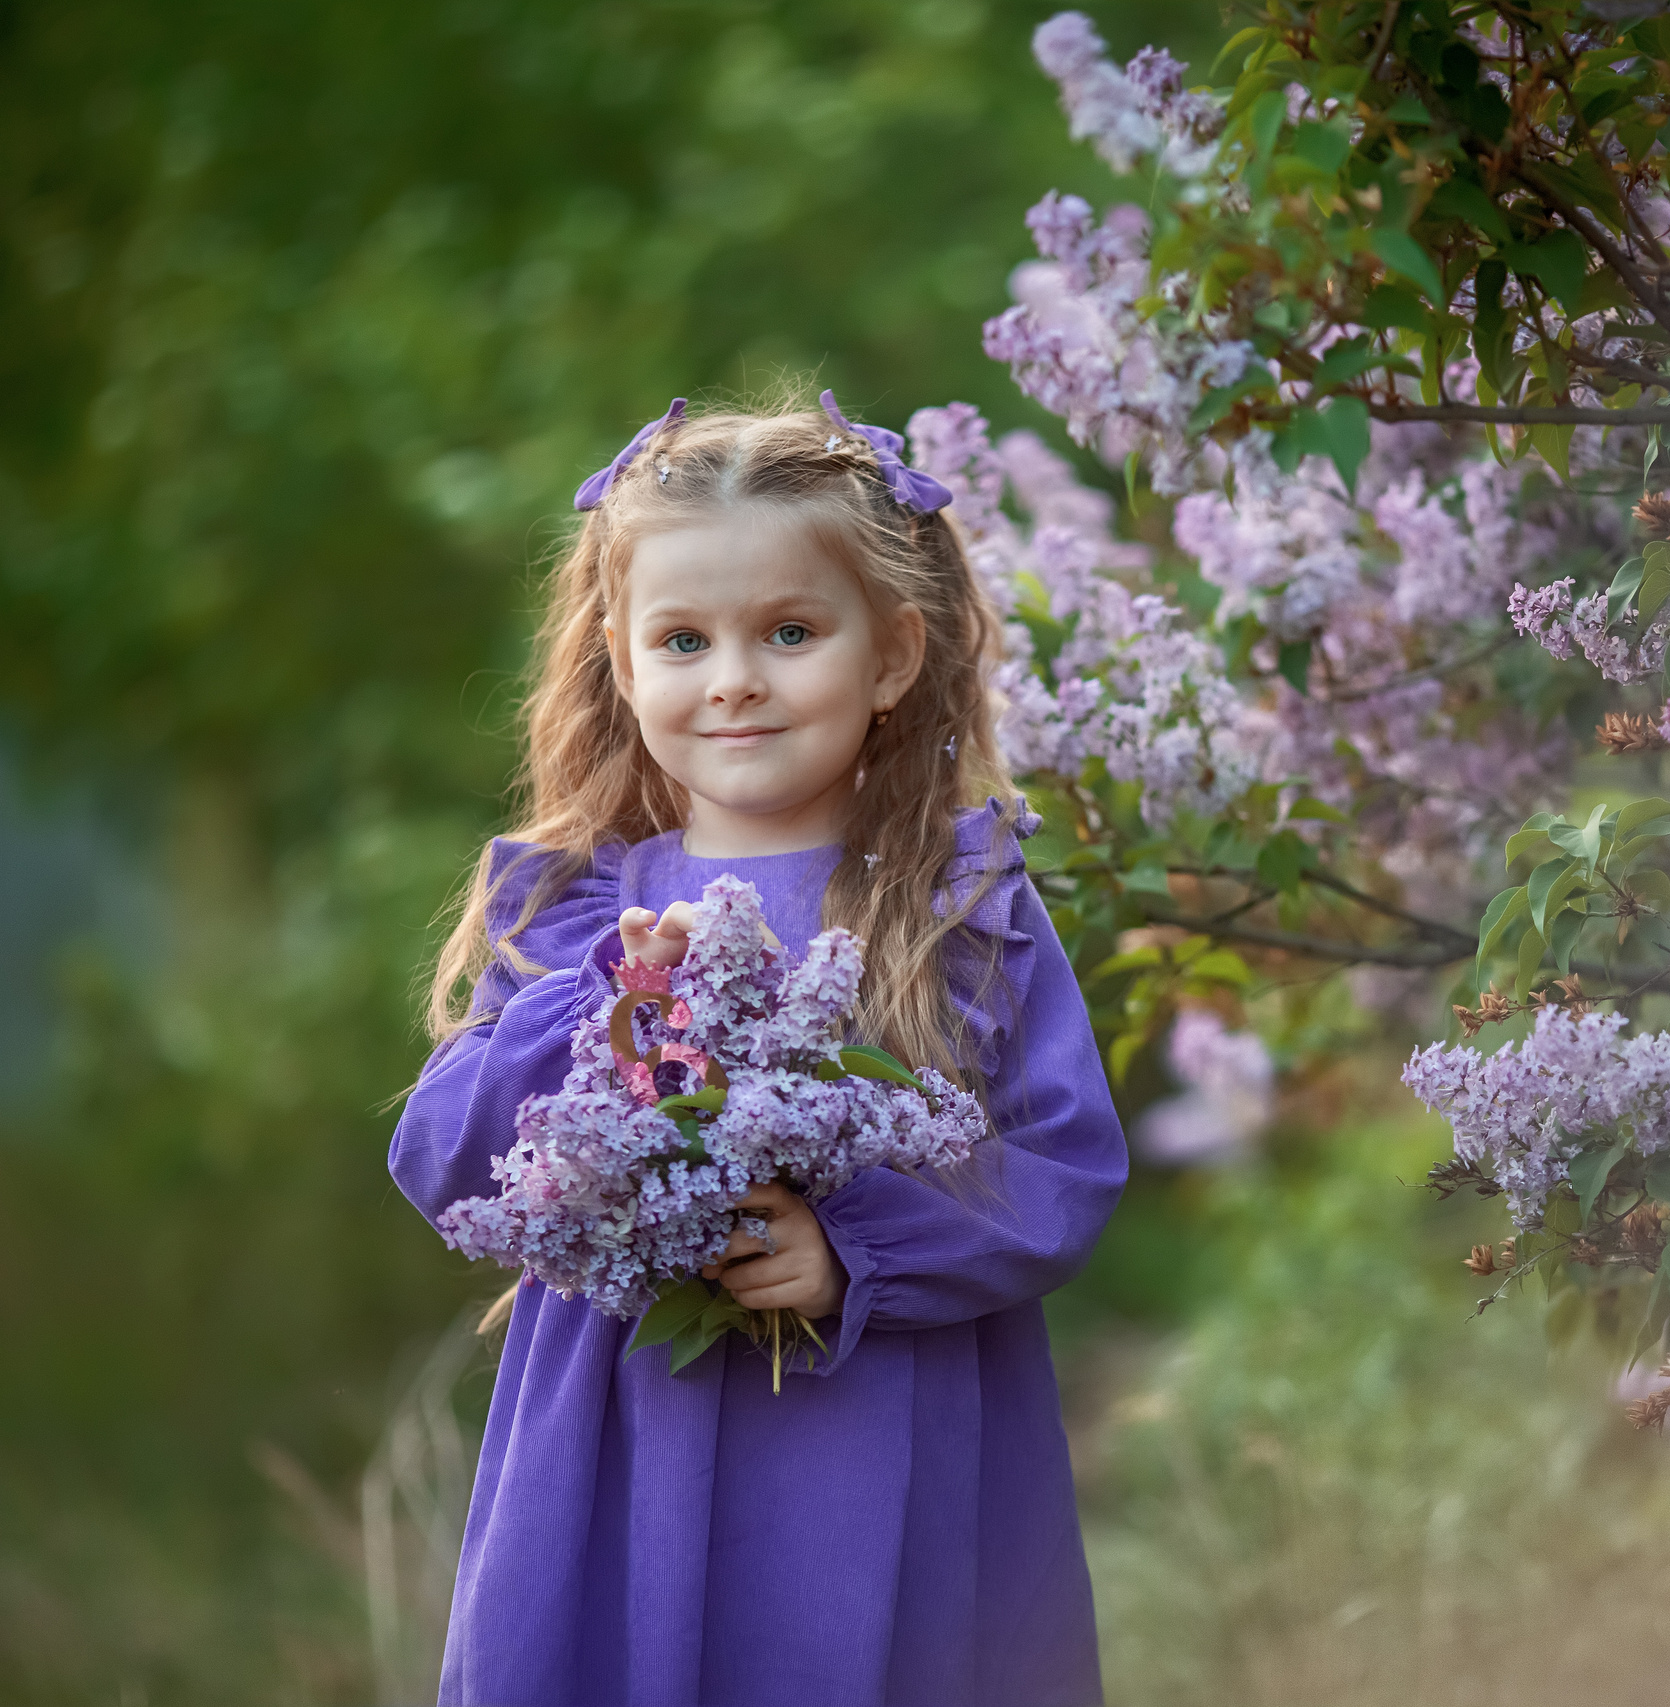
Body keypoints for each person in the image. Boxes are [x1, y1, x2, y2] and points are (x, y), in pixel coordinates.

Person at [389, 391, 1127, 1707]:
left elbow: (1062, 1166)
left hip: (883, 1428)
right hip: (625, 1435)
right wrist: (605, 1004)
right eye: (683, 638)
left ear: (892, 654)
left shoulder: (955, 900)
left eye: (790, 631)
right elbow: (441, 1154)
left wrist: (858, 1253)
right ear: (619, 657)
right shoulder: (572, 906)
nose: (733, 678)